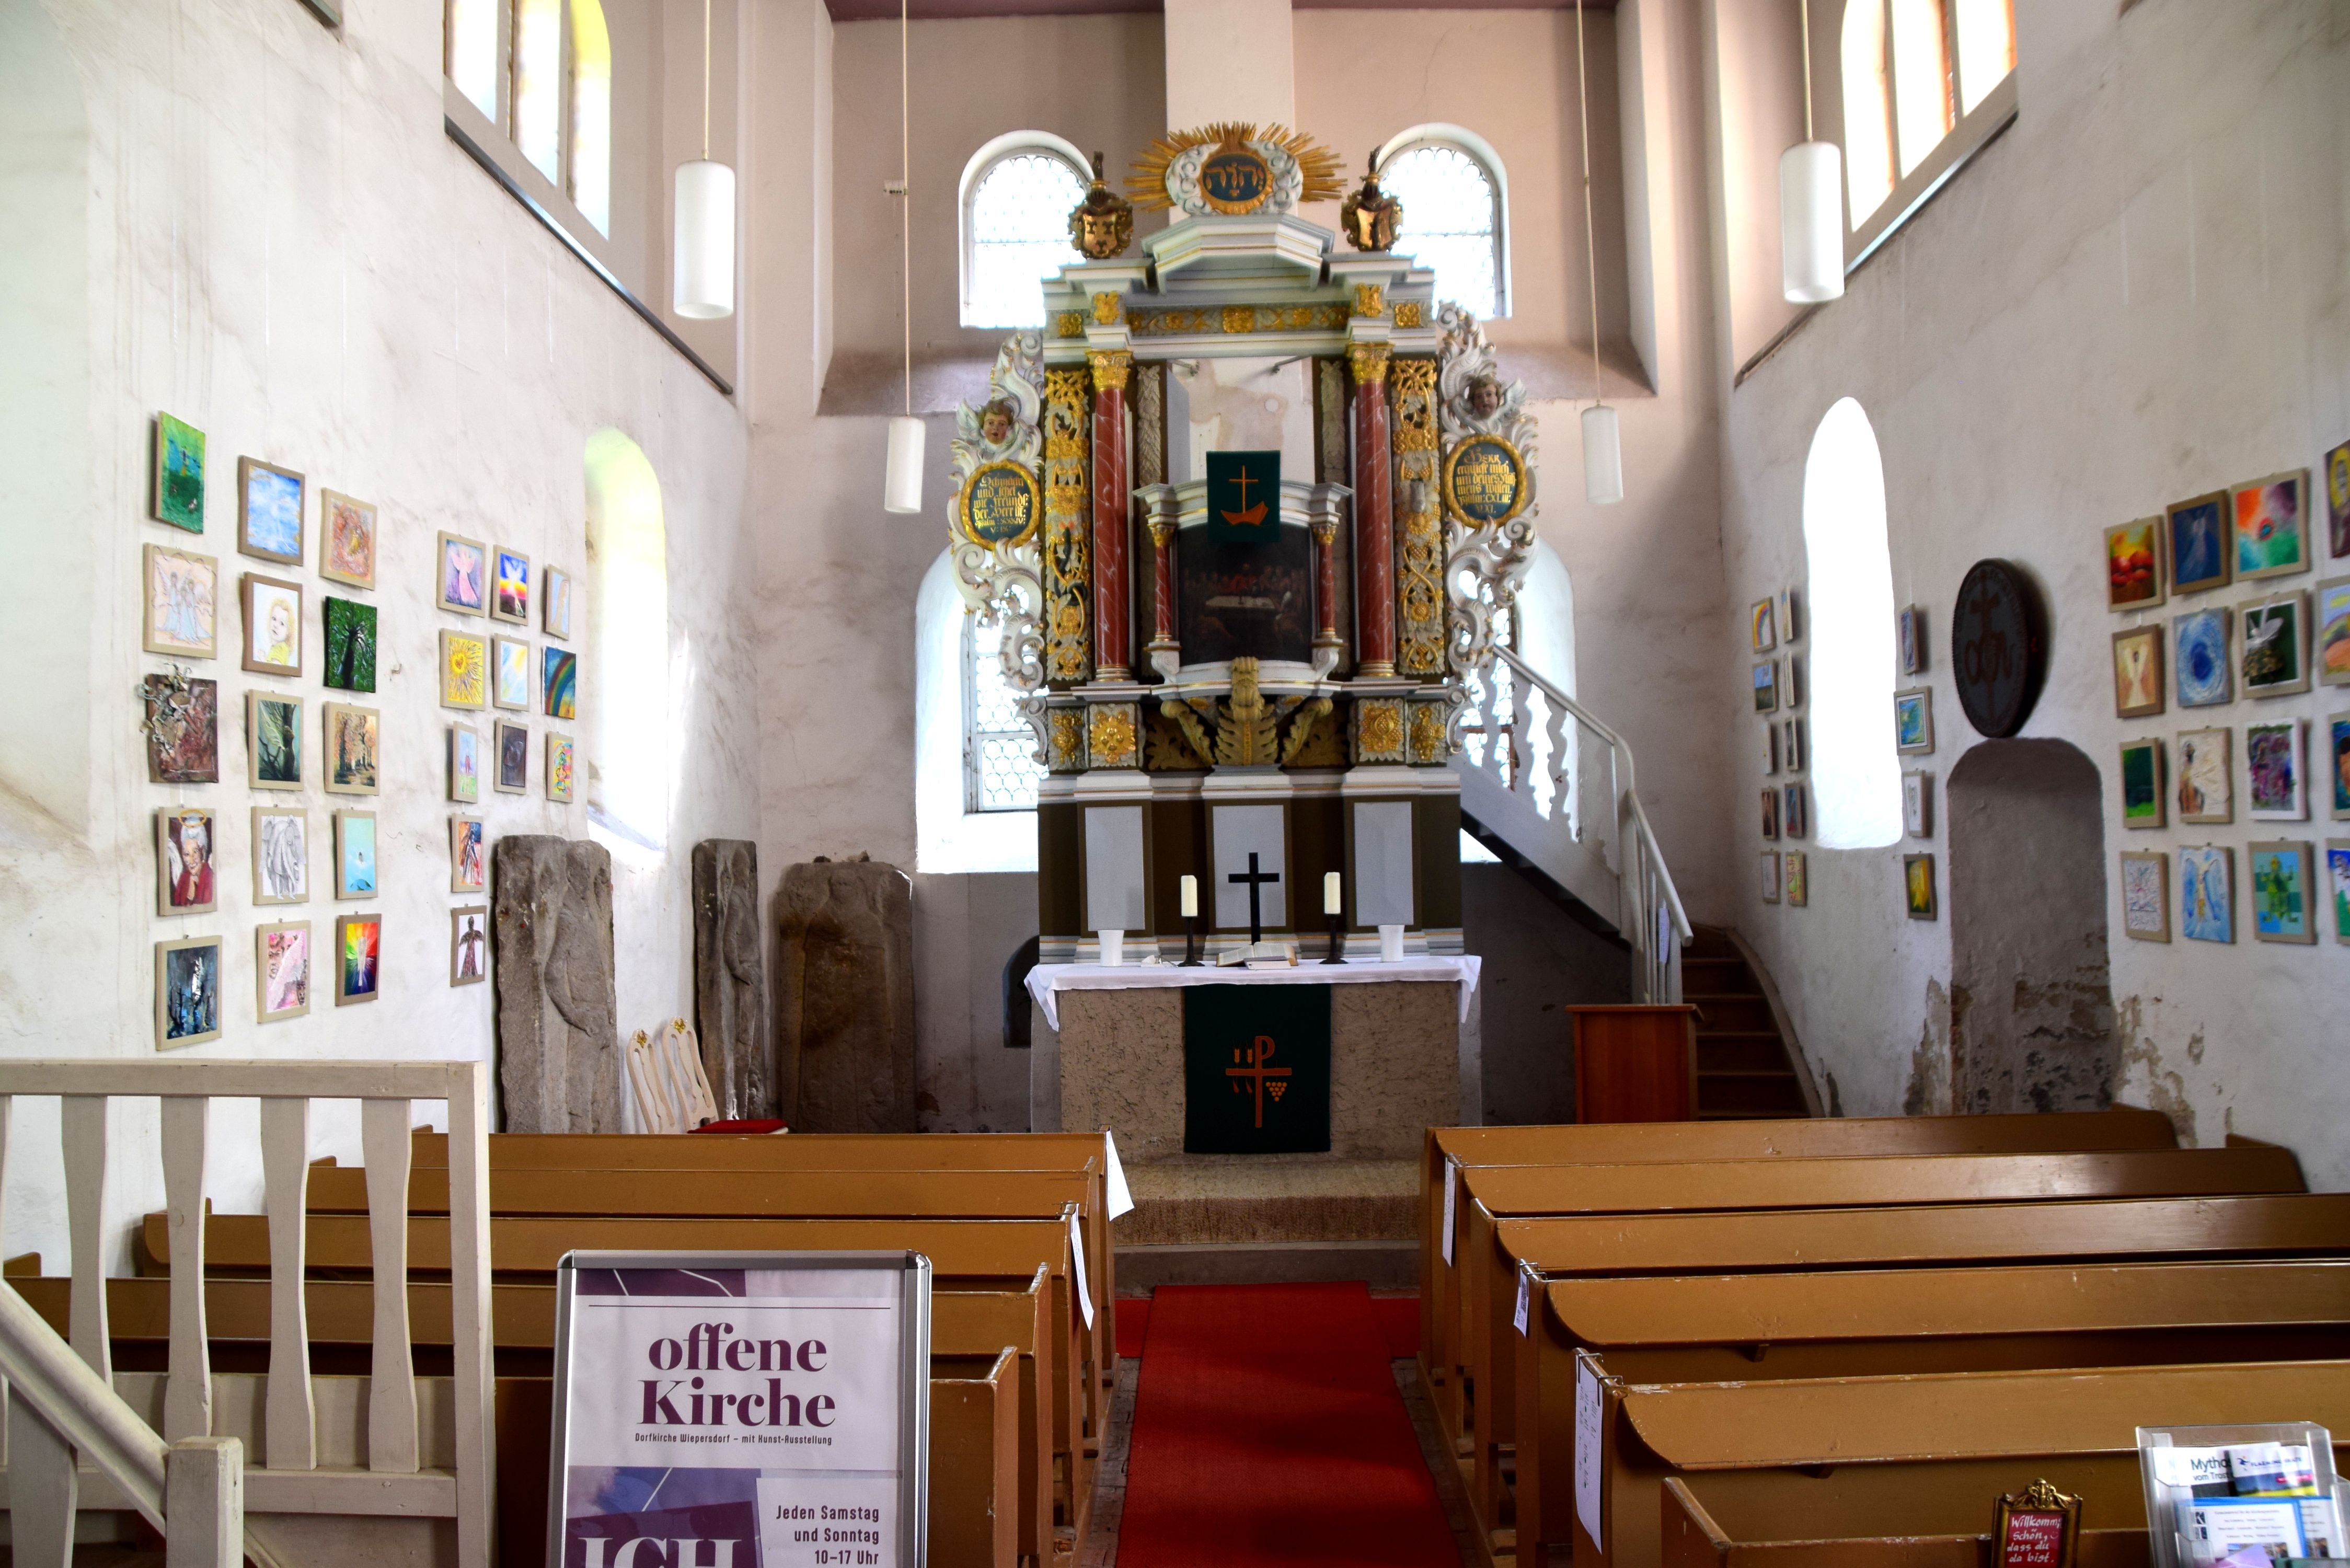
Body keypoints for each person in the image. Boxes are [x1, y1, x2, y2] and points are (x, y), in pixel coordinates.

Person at [172, 816, 214, 908]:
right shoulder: (184, 877)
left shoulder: (209, 877)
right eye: (187, 854)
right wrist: (190, 896)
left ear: (202, 852)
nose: (191, 861)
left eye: (195, 852)